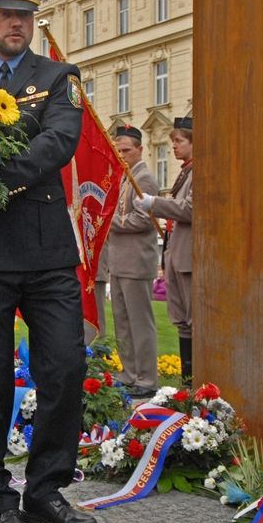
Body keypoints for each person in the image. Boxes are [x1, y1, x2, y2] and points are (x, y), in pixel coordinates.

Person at [0, 0, 97, 523]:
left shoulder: (58, 76)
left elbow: (58, 143)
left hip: (44, 251)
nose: (17, 22)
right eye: (6, 13)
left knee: (64, 367)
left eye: (26, 14)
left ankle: (46, 489)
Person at [135, 117, 193, 385]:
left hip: (188, 257)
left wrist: (153, 203)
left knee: (193, 322)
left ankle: (194, 384)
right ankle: (187, 382)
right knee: (181, 321)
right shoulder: (185, 171)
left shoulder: (197, 171)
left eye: (179, 141)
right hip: (176, 254)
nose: (174, 148)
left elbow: (189, 209)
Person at [107, 125, 159, 397]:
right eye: (118, 150)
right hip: (119, 261)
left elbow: (142, 220)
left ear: (140, 149)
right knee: (122, 322)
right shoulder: (124, 177)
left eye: (126, 150)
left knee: (140, 323)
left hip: (137, 261)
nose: (122, 154)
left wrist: (109, 222)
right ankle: (128, 373)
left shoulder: (144, 178)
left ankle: (147, 379)